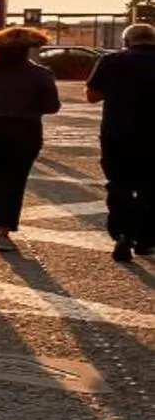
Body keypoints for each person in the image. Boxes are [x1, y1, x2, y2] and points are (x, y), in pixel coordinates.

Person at [0, 25, 61, 251]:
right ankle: (3, 227)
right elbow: (52, 106)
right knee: (16, 179)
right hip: (27, 130)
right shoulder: (41, 74)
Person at [85, 23, 155, 263]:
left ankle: (123, 235)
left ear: (126, 41)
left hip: (118, 135)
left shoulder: (111, 61)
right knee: (151, 188)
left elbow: (92, 96)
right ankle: (146, 240)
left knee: (119, 185)